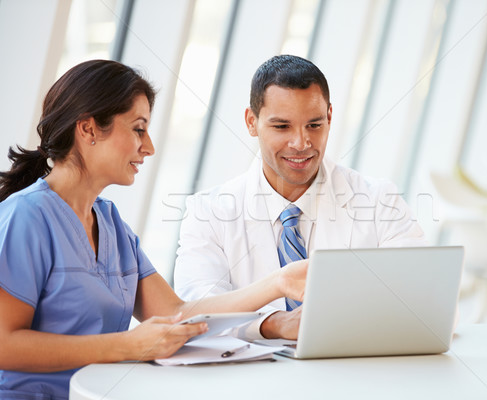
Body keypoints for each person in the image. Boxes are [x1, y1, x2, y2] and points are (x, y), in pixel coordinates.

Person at [0, 59, 306, 400]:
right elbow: (4, 344)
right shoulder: (25, 218)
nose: (149, 147)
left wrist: (277, 283)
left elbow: (177, 313)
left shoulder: (110, 223)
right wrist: (126, 346)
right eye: (138, 129)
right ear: (87, 130)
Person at [174, 55, 426, 341]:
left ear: (329, 117)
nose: (301, 143)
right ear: (251, 122)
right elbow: (196, 314)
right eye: (282, 127)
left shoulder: (380, 201)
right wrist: (274, 323)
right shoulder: (207, 212)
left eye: (314, 125)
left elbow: (427, 304)